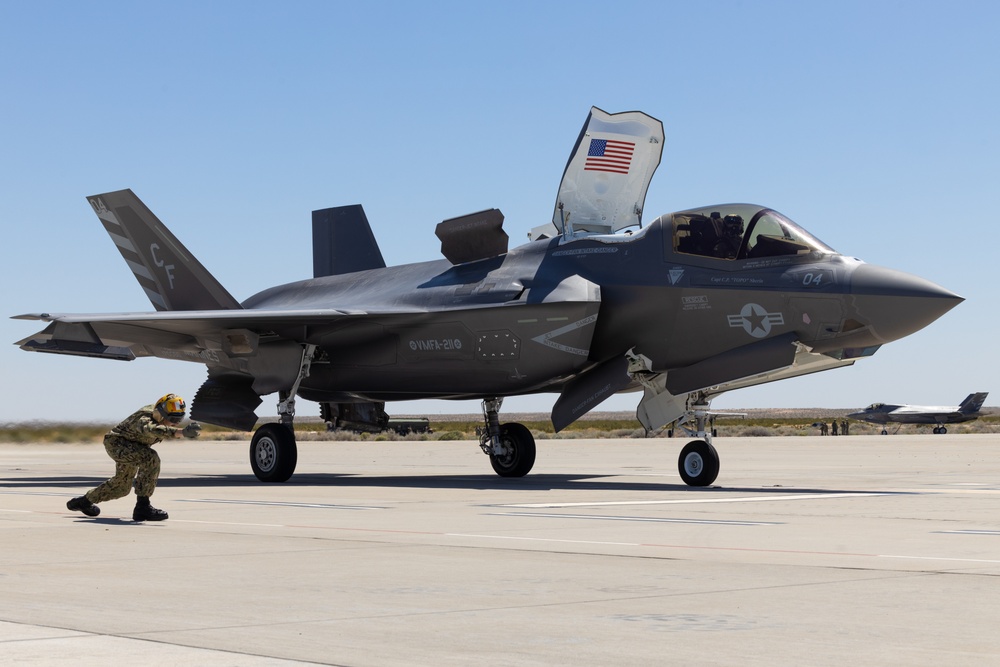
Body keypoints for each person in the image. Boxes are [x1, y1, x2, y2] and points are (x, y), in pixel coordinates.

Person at [66, 394, 201, 521]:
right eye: (173, 419)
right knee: (150, 458)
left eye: (179, 420)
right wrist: (181, 432)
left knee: (121, 488)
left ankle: (83, 502)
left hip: (135, 446)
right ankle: (142, 507)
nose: (175, 423)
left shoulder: (159, 416)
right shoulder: (144, 419)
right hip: (117, 444)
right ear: (160, 414)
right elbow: (152, 429)